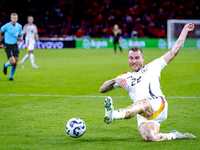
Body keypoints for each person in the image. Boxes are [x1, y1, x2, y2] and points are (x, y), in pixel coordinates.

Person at [100, 23, 196, 142]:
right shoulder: (125, 77)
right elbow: (102, 89)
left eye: (137, 58)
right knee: (150, 137)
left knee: (142, 102)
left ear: (143, 58)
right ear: (128, 59)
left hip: (158, 105)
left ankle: (113, 115)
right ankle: (174, 135)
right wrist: (114, 80)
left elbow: (174, 51)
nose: (134, 61)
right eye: (131, 58)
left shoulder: (154, 65)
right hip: (143, 115)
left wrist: (185, 30)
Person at [0, 13, 23, 81]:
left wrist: (19, 40)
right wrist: (1, 42)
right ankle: (5, 65)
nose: (14, 20)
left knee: (15, 63)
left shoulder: (19, 26)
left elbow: (20, 35)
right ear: (10, 19)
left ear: (17, 19)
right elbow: (0, 32)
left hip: (15, 46)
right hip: (8, 45)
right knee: (12, 62)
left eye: (15, 18)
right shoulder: (6, 26)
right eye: (13, 18)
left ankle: (10, 77)